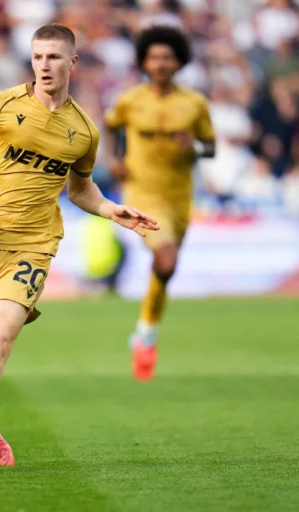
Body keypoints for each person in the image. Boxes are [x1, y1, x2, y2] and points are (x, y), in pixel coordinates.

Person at [0, 23, 159, 467]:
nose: (44, 65)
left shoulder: (84, 131)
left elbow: (81, 190)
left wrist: (111, 208)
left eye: (54, 57)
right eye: (38, 57)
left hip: (31, 248)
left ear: (72, 62)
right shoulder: (0, 105)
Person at [104, 26, 216, 382]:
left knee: (166, 268)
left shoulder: (194, 103)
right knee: (166, 258)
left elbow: (210, 147)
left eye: (167, 57)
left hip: (179, 196)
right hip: (142, 193)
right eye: (154, 57)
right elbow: (110, 127)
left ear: (179, 61)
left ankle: (145, 332)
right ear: (144, 62)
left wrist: (192, 148)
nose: (160, 63)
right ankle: (147, 332)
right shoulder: (130, 100)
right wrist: (115, 159)